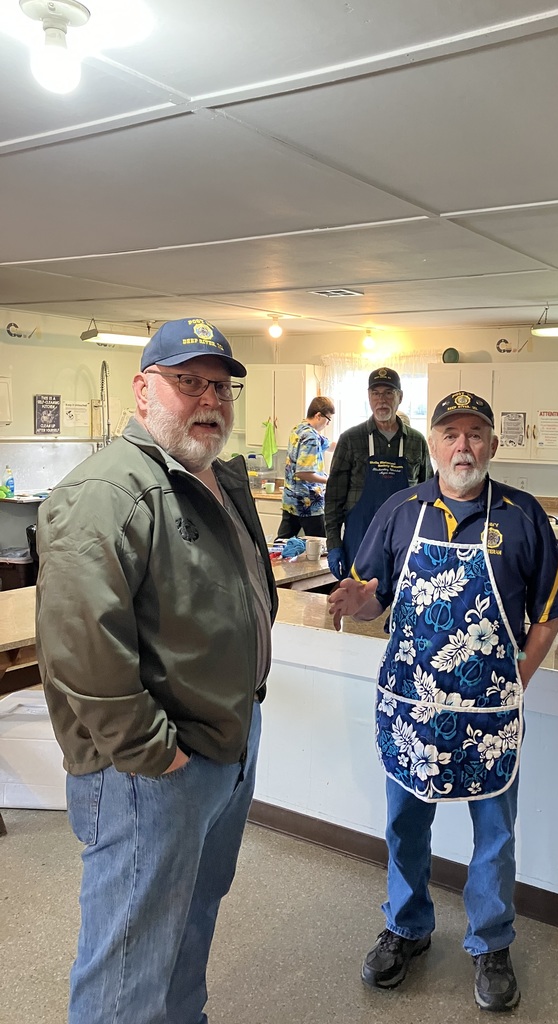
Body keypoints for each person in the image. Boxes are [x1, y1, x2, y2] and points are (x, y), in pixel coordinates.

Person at [35, 316, 278, 1024]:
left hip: (223, 743)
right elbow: (81, 650)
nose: (209, 400)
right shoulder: (107, 493)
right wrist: (153, 753)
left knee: (191, 919)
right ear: (143, 391)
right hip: (150, 773)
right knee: (129, 959)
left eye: (221, 387)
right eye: (187, 382)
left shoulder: (211, 478)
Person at [328, 390, 558, 1013]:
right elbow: (374, 593)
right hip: (412, 708)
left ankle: (491, 943)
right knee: (404, 825)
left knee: (494, 833)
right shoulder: (400, 510)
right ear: (433, 444)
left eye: (475, 434)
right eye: (450, 434)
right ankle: (406, 926)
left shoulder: (522, 516)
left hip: (489, 715)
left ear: (492, 443)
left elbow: (550, 612)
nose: (462, 446)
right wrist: (361, 602)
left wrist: (518, 678)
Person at [324, 367, 432, 579]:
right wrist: (334, 544)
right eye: (376, 393)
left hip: (405, 541)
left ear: (400, 397)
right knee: (359, 597)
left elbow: (429, 496)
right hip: (360, 541)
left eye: (388, 393)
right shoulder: (351, 439)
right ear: (369, 397)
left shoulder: (416, 441)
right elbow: (333, 498)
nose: (381, 400)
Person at [277, 395, 335, 539]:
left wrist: (349, 444)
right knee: (319, 544)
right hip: (308, 503)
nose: (328, 424)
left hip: (291, 501)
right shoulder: (311, 437)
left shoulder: (298, 429)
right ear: (318, 416)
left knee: (282, 543)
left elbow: (330, 445)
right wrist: (329, 480)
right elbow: (303, 473)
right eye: (328, 419)